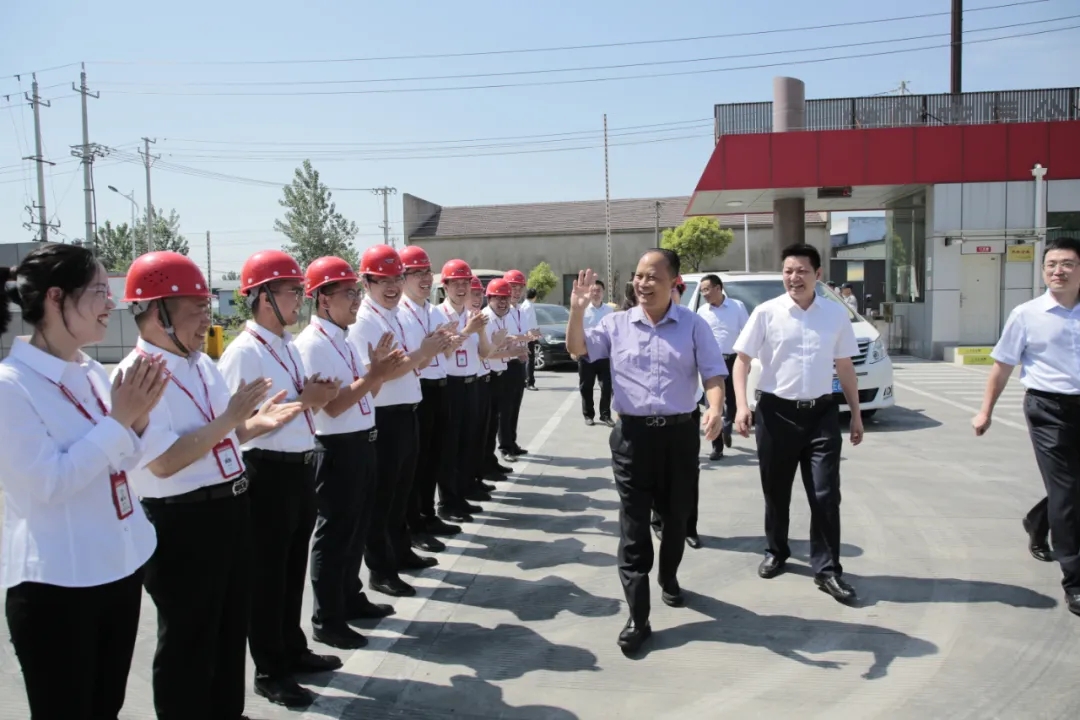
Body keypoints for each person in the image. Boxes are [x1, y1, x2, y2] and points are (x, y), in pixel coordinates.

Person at [119, 251, 302, 720]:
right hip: (182, 521)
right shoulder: (137, 375)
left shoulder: (200, 364)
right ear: (158, 311)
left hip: (229, 508)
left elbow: (225, 437)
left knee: (228, 629)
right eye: (196, 308)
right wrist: (231, 420)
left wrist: (254, 424)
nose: (208, 319)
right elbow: (164, 463)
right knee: (188, 640)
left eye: (206, 307)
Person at [0, 244, 166, 720]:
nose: (110, 303)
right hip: (59, 585)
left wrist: (137, 420)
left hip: (117, 568)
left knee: (106, 706)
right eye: (97, 291)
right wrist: (120, 421)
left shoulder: (91, 371)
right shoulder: (11, 386)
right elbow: (48, 483)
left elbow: (123, 459)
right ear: (56, 298)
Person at [566, 249, 727, 654]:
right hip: (632, 439)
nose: (642, 283)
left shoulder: (693, 325)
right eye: (638, 276)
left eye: (652, 276)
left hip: (679, 436)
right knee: (634, 528)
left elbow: (713, 374)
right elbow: (578, 348)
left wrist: (716, 409)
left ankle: (668, 576)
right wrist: (577, 310)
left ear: (673, 282)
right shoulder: (615, 324)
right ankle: (638, 616)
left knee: (676, 520)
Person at [217, 249, 342, 709]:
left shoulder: (286, 345)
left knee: (290, 571)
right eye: (291, 291)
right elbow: (235, 426)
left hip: (299, 466)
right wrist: (304, 401)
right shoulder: (243, 353)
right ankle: (270, 670)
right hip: (265, 471)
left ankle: (292, 648)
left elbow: (295, 403)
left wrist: (315, 395)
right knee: (267, 578)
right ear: (262, 296)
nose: (298, 299)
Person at [732, 242, 864, 605]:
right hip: (775, 414)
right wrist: (742, 406)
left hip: (821, 414)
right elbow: (741, 361)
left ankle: (827, 569)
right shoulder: (766, 313)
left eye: (802, 271)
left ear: (818, 275)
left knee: (825, 493)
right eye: (788, 271)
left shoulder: (835, 315)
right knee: (776, 491)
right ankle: (776, 550)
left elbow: (845, 367)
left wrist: (855, 414)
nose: (794, 277)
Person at [294, 256, 406, 652]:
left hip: (360, 440)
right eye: (348, 293)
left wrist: (375, 374)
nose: (356, 300)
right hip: (336, 447)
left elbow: (364, 394)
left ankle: (350, 597)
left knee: (355, 529)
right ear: (323, 299)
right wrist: (374, 374)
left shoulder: (339, 338)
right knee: (335, 535)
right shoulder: (312, 344)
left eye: (357, 292)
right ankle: (327, 618)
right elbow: (334, 406)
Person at [973, 236, 1080, 617]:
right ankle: (1075, 581)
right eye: (1051, 264)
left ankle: (1037, 521)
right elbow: (1002, 365)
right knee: (1067, 491)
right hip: (1048, 409)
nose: (1058, 271)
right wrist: (985, 412)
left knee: (1070, 489)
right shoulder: (1026, 314)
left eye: (1067, 264)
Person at [348, 245, 452, 598]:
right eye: (383, 281)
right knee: (382, 499)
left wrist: (424, 354)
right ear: (366, 283)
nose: (392, 287)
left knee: (400, 494)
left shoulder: (394, 316)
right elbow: (383, 372)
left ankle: (401, 551)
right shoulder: (365, 321)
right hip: (383, 417)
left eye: (396, 278)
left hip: (407, 411)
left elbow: (408, 364)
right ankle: (381, 569)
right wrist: (423, 353)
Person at [397, 246, 460, 551]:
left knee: (435, 456)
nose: (424, 279)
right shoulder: (400, 313)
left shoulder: (432, 312)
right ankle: (414, 525)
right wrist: (430, 348)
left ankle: (428, 514)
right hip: (417, 390)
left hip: (439, 386)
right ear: (403, 277)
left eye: (427, 272)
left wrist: (448, 343)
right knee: (416, 463)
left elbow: (442, 354)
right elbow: (412, 358)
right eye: (416, 273)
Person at [437, 259, 493, 523]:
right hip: (450, 385)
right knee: (449, 446)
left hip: (472, 382)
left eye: (465, 283)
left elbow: (485, 353)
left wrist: (479, 332)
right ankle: (447, 502)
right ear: (445, 287)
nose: (461, 288)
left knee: (468, 443)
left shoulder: (471, 314)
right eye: (455, 283)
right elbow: (444, 352)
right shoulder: (438, 315)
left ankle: (461, 494)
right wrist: (468, 330)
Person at [696, 274, 749, 460]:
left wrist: (746, 361)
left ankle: (727, 425)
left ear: (718, 288)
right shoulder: (702, 311)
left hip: (733, 360)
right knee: (712, 404)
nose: (704, 294)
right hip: (711, 363)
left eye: (707, 289)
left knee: (733, 401)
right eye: (702, 291)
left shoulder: (737, 306)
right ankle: (717, 447)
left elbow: (747, 333)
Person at [501, 269, 538, 461]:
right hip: (505, 362)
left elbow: (523, 334)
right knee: (505, 407)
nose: (516, 291)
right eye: (512, 287)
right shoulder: (501, 310)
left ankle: (512, 442)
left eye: (519, 288)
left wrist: (526, 342)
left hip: (519, 361)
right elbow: (505, 338)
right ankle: (504, 446)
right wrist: (522, 338)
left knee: (515, 405)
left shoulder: (520, 311)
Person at [578, 278, 614, 427]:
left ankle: (605, 415)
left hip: (605, 355)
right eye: (593, 290)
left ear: (603, 292)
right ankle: (588, 415)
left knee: (607, 386)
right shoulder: (583, 310)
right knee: (586, 386)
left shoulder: (609, 311)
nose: (595, 293)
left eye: (598, 290)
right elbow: (577, 331)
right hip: (587, 355)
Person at [521, 287, 539, 391]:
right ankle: (529, 382)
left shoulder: (525, 305)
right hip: (529, 336)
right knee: (530, 359)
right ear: (534, 297)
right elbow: (528, 322)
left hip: (527, 335)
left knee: (527, 359)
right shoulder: (528, 306)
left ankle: (525, 380)